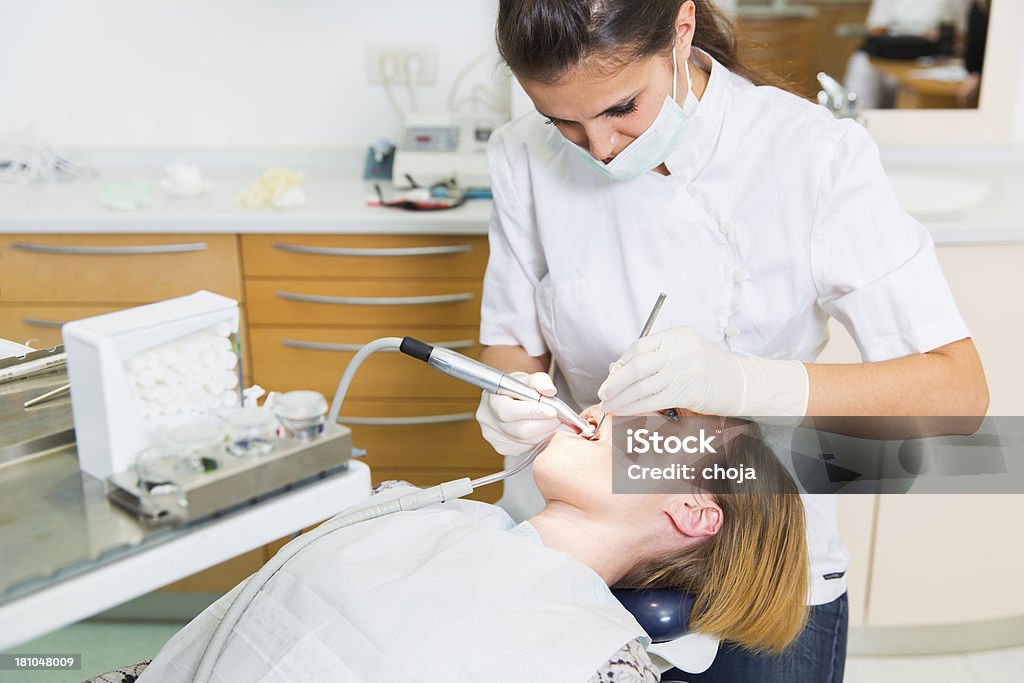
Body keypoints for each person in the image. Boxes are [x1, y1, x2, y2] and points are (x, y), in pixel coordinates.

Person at [476, 1, 989, 681]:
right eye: (563, 121)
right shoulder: (521, 155)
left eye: (623, 108)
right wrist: (516, 393)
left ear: (681, 32)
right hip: (575, 552)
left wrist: (746, 383)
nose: (599, 147)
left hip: (755, 569)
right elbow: (511, 344)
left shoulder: (809, 154)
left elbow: (958, 392)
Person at [132, 410, 808, 682]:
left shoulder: (602, 666)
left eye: (664, 421)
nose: (606, 408)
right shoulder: (427, 512)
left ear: (693, 511)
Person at [843, 0, 969, 108]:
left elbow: (961, 33)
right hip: (890, 53)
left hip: (929, 57)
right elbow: (875, 28)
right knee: (862, 71)